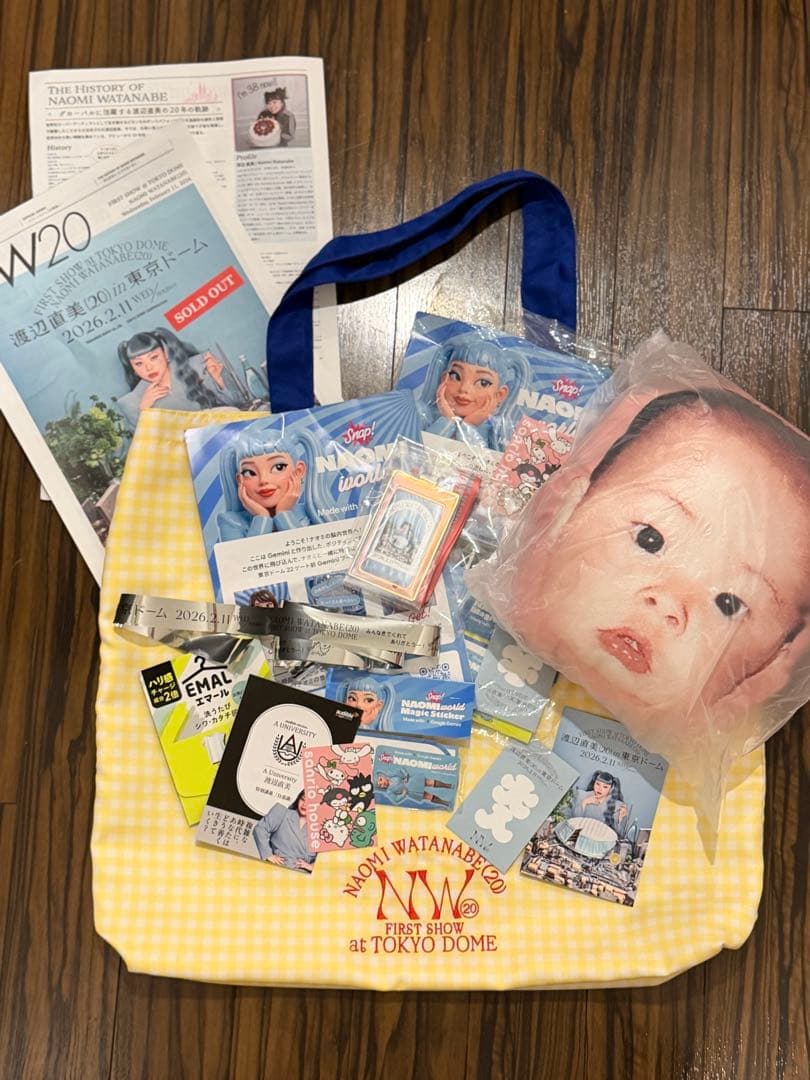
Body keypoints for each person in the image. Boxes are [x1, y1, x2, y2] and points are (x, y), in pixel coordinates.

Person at [480, 386, 810, 743]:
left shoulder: (697, 734)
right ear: (574, 503)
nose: (668, 604)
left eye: (728, 603)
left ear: (775, 658)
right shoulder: (515, 604)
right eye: (649, 539)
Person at [416, 336, 530, 451]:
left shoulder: (495, 436)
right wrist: (447, 421)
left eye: (483, 383)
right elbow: (415, 451)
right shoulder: (422, 417)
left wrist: (468, 427)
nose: (464, 389)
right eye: (455, 376)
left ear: (500, 395)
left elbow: (482, 460)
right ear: (444, 378)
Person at [217, 426, 330, 541]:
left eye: (278, 467)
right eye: (250, 472)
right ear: (240, 480)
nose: (263, 480)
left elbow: (313, 550)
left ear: (299, 471)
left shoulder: (313, 513)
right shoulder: (231, 522)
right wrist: (262, 517)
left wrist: (283, 513)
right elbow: (245, 553)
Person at [115, 328, 242, 429]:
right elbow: (146, 446)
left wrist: (219, 381)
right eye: (139, 364)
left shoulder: (198, 366)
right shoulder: (131, 402)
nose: (148, 368)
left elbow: (237, 405)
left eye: (153, 357)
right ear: (133, 369)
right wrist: (144, 410)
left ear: (165, 354)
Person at [252, 791, 314, 872]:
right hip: (276, 868)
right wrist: (268, 855)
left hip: (301, 874)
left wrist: (311, 867)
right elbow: (260, 829)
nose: (304, 804)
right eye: (302, 799)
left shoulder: (321, 830)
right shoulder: (282, 813)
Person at [375, 769, 453, 806]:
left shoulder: (392, 775)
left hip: (412, 781)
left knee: (429, 782)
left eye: (381, 779)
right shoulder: (389, 791)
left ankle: (448, 785)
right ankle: (445, 803)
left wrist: (406, 775)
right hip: (411, 791)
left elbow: (401, 770)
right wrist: (403, 794)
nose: (382, 783)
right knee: (428, 796)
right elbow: (396, 800)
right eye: (380, 785)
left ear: (382, 776)